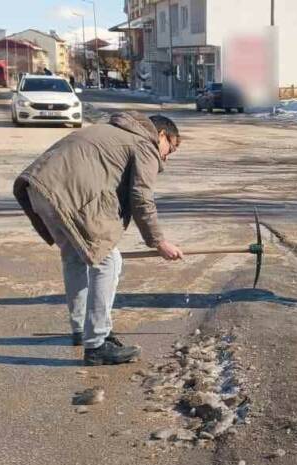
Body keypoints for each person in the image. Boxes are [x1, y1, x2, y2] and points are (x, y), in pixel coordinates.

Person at [13, 112, 185, 365]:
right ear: (160, 135)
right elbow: (141, 198)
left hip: (37, 189)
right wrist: (159, 242)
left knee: (74, 257)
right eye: (171, 147)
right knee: (108, 261)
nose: (167, 156)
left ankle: (83, 329)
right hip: (67, 195)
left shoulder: (111, 131)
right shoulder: (144, 143)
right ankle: (97, 344)